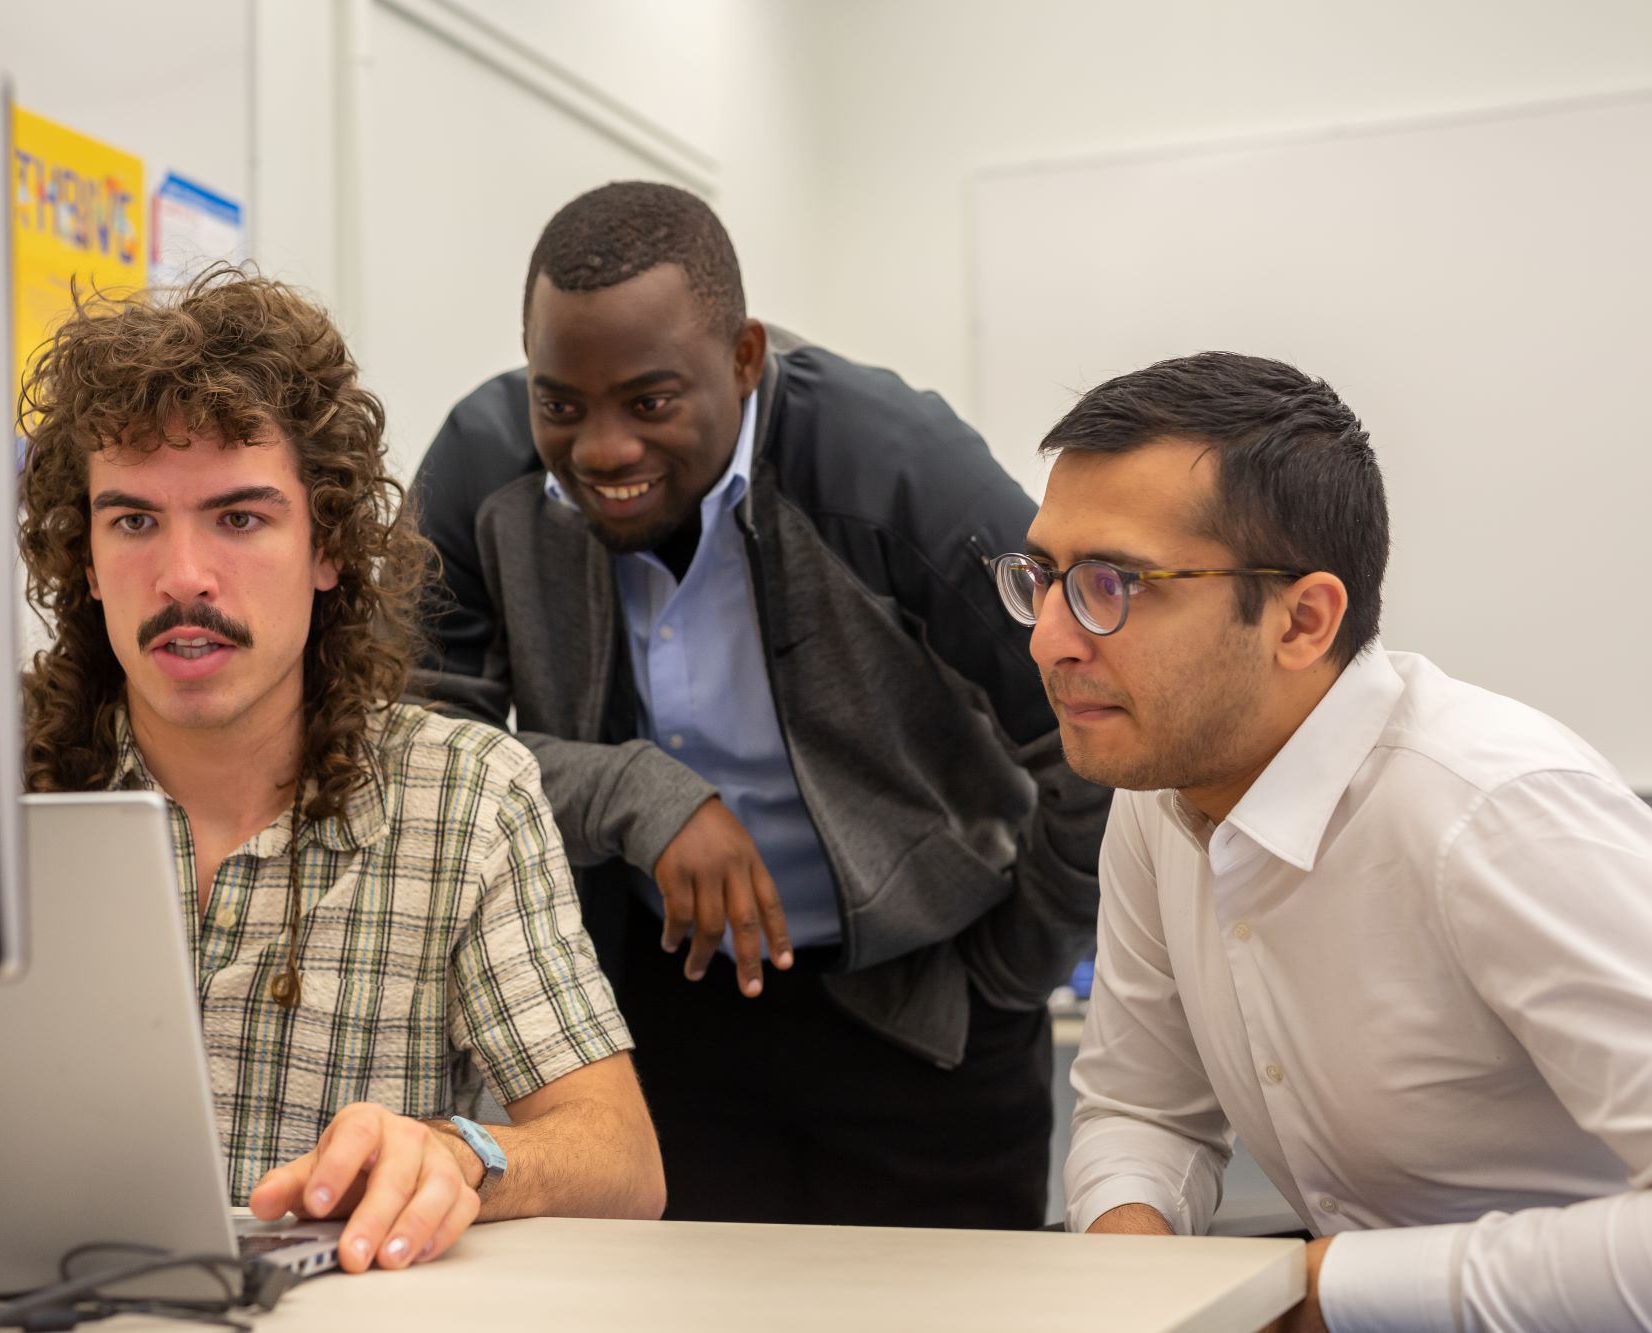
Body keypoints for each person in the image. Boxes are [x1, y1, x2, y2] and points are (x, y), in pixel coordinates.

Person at [410, 182, 1107, 1227]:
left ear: (743, 358)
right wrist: (639, 794)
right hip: (650, 1019)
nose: (600, 448)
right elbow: (422, 750)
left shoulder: (891, 465)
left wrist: (1006, 974)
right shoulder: (479, 473)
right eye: (560, 402)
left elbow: (1092, 721)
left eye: (648, 401)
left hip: (924, 1021)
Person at [17, 267, 664, 1276]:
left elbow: (623, 1160)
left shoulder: (461, 794)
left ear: (329, 546)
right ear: (86, 560)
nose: (183, 575)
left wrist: (462, 1155)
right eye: (134, 520)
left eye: (238, 518)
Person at [1003, 351, 1652, 1331]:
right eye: (1043, 577)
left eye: (1111, 583)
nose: (1047, 636)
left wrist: (1326, 1288)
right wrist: (1130, 1269)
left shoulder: (1494, 812)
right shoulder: (1159, 786)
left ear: (1302, 620)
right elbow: (1144, 1109)